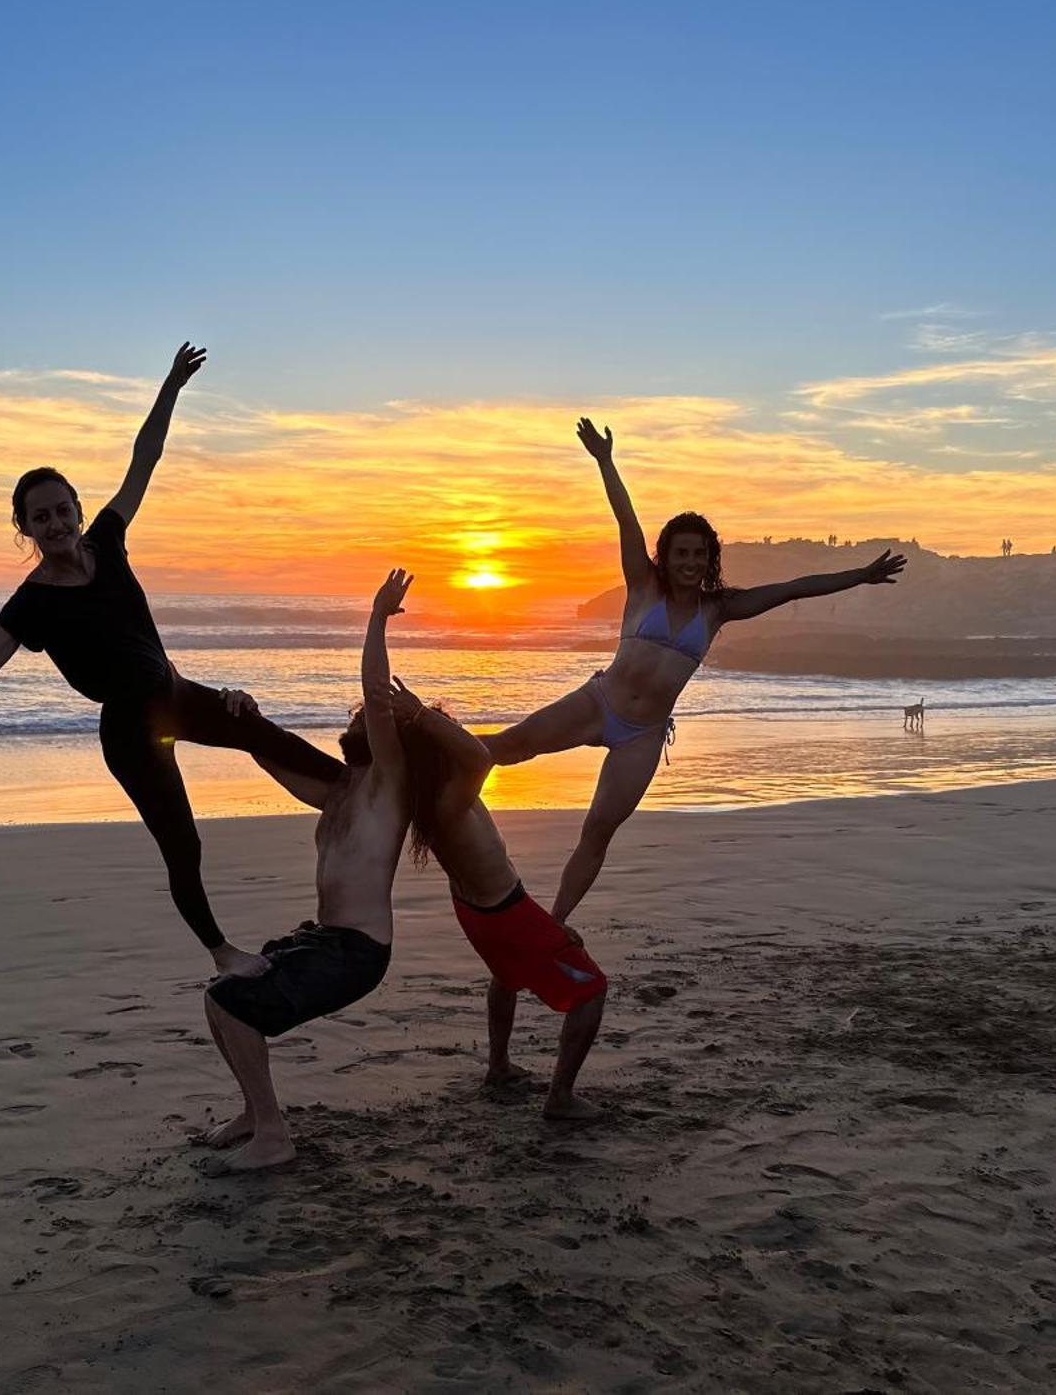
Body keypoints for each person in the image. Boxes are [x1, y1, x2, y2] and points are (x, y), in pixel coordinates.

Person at [0, 343, 344, 979]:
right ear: (25, 528)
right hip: (129, 732)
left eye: (62, 509)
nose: (56, 523)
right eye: (40, 517)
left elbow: (143, 459)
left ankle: (357, 794)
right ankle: (222, 954)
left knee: (261, 732)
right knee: (184, 845)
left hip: (177, 693)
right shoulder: (29, 606)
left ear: (77, 508)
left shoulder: (109, 542)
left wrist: (171, 388)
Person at [484, 417, 907, 930]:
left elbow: (796, 587)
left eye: (698, 554)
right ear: (666, 557)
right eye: (680, 553)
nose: (689, 562)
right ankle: (422, 768)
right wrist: (606, 462)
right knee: (507, 748)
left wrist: (859, 576)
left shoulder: (719, 608)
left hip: (641, 736)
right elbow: (626, 522)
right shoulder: (643, 586)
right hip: (598, 704)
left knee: (597, 831)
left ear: (710, 560)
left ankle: (552, 925)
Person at [194, 569, 418, 1171]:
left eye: (358, 722)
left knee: (238, 1009)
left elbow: (374, 692)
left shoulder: (388, 790)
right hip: (322, 938)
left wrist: (376, 617)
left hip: (358, 951)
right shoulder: (340, 790)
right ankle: (253, 1113)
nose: (348, 726)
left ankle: (273, 1135)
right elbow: (269, 755)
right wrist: (247, 717)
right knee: (221, 1000)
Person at [388, 676, 607, 1121]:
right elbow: (480, 756)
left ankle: (499, 1067)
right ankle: (560, 1098)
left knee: (506, 975)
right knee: (591, 990)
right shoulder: (450, 798)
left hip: (476, 911)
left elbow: (474, 749)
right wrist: (419, 714)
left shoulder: (427, 797)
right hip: (504, 911)